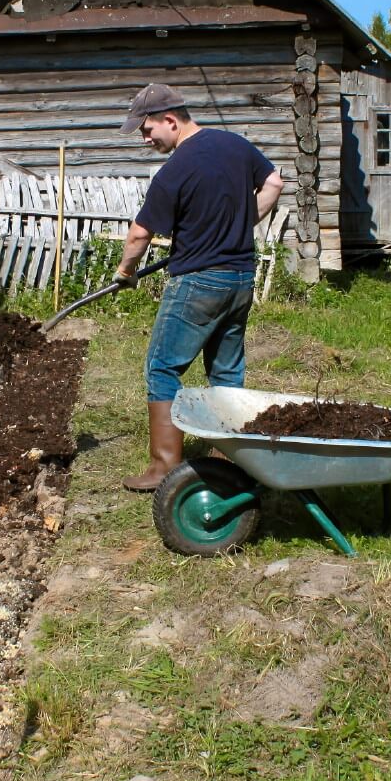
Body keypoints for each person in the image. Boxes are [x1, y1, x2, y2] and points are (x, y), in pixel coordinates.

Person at [114, 83, 284, 491]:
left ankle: (163, 468)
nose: (145, 138)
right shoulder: (236, 146)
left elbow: (140, 234)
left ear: (170, 120)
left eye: (147, 129)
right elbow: (275, 182)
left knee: (162, 367)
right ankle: (226, 461)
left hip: (198, 282)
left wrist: (125, 271)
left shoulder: (175, 170)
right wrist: (242, 226)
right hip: (241, 278)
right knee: (225, 370)